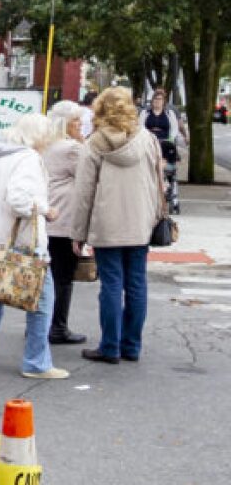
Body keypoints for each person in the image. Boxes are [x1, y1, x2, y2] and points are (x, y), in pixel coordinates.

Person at [0, 115, 68, 380]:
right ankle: (36, 363)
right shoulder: (28, 158)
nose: (48, 141)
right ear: (38, 136)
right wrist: (46, 210)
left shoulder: (1, 156)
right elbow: (18, 199)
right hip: (24, 241)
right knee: (42, 300)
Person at [73, 85, 165, 365]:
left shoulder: (94, 143)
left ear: (100, 109)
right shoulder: (148, 139)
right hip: (140, 222)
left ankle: (109, 346)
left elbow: (84, 191)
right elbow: (158, 181)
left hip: (107, 224)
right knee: (137, 283)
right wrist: (159, 214)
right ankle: (132, 346)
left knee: (111, 284)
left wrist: (78, 232)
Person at [42, 101, 88, 346]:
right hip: (64, 220)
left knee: (44, 276)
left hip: (45, 219)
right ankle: (58, 327)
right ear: (64, 124)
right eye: (76, 121)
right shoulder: (72, 149)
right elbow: (87, 179)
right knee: (63, 277)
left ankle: (39, 325)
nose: (81, 124)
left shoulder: (45, 146)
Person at [143, 86, 188, 169]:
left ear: (164, 100)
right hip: (149, 140)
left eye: (160, 99)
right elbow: (140, 126)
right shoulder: (145, 112)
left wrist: (184, 136)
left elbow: (178, 126)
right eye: (155, 98)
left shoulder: (171, 111)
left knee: (168, 150)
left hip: (165, 140)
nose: (157, 101)